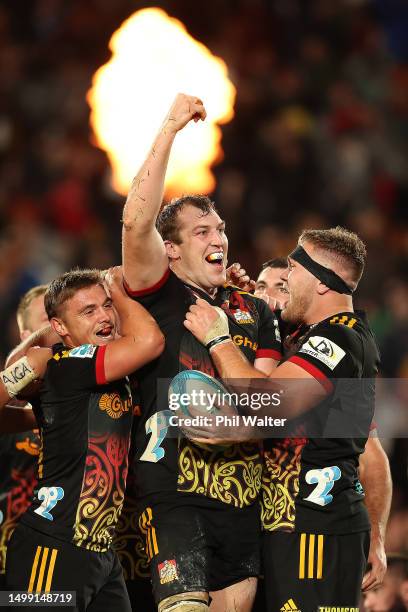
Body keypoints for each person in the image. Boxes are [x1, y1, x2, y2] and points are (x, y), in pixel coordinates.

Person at [121, 93, 282, 611]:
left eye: (221, 230)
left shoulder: (254, 311)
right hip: (174, 493)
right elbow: (134, 224)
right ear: (172, 249)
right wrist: (169, 127)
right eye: (202, 232)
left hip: (241, 494)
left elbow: (270, 405)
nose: (220, 239)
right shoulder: (160, 292)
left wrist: (220, 340)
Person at [184, 227, 380, 610]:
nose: (285, 280)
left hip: (314, 528)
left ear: (322, 283)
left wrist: (219, 338)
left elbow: (268, 401)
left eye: (292, 270)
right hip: (294, 526)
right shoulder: (317, 336)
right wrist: (247, 305)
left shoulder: (339, 339)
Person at [5, 267, 164, 612]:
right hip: (54, 545)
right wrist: (118, 289)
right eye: (88, 311)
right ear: (60, 327)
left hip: (101, 552)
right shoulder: (74, 363)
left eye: (107, 305)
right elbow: (151, 341)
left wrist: (41, 416)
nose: (105, 316)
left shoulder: (77, 370)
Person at [0, 285, 48, 586]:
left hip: (103, 559)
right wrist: (36, 417)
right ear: (27, 337)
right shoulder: (10, 405)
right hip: (15, 561)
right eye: (48, 318)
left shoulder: (106, 381)